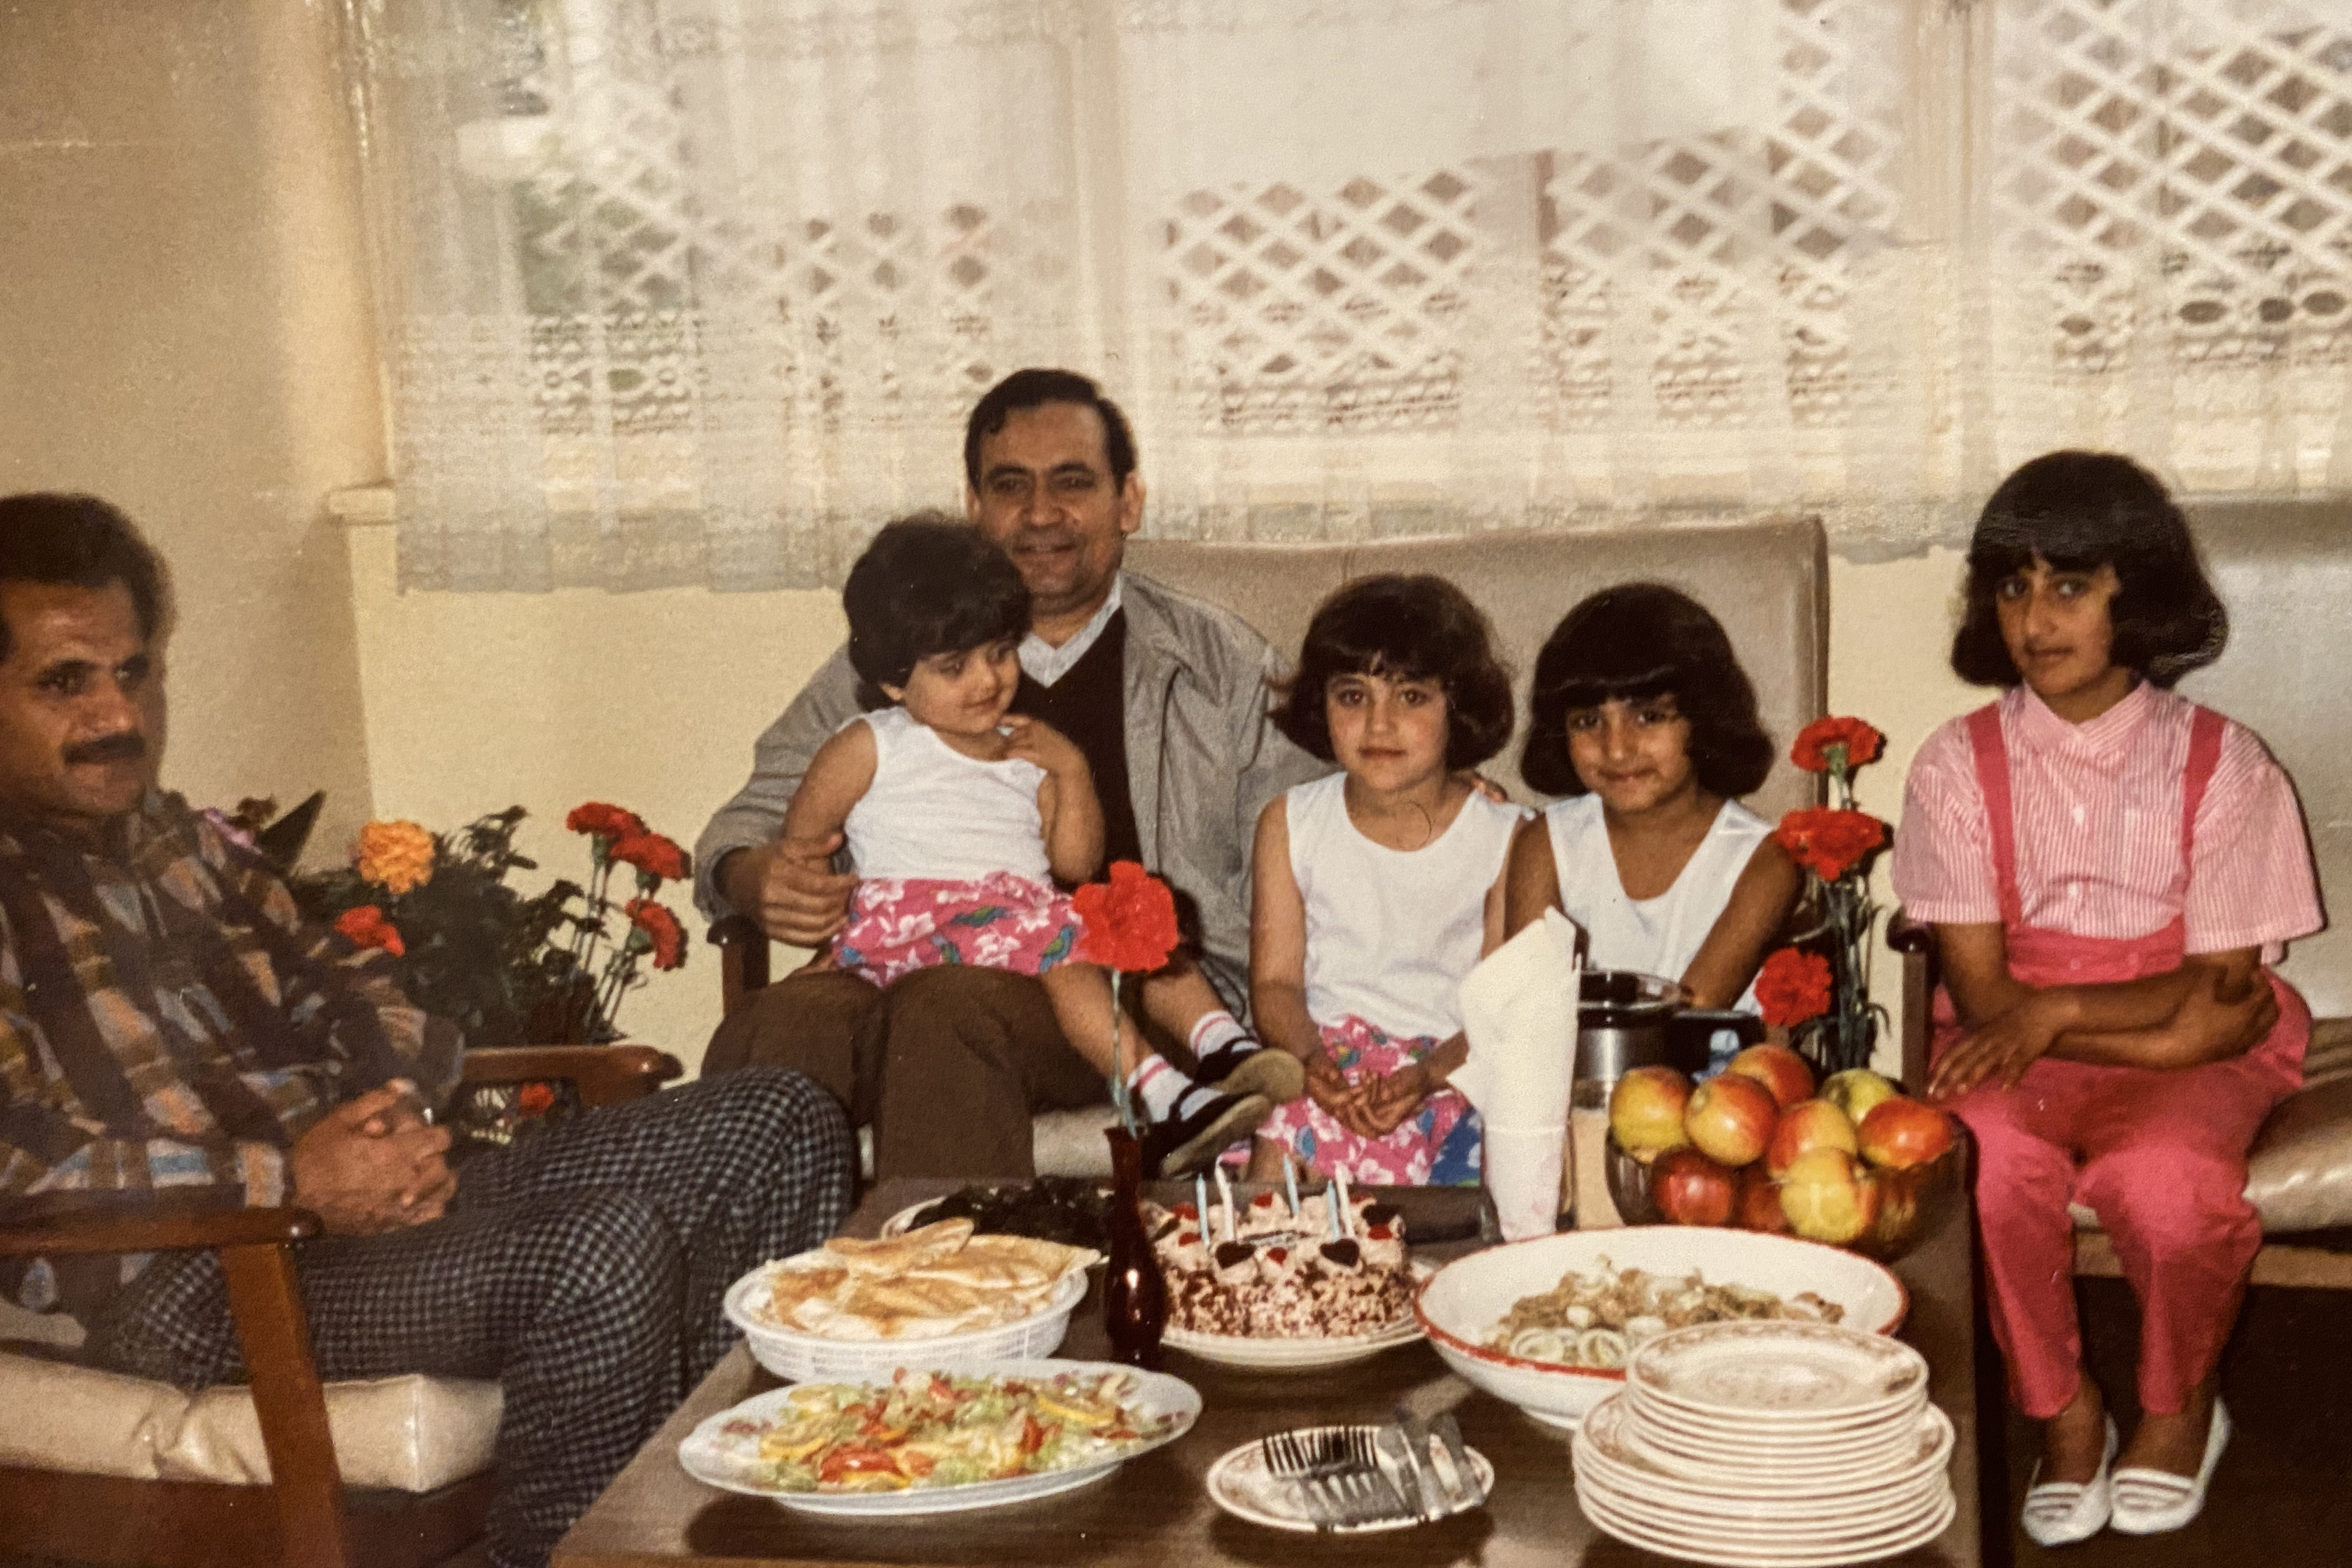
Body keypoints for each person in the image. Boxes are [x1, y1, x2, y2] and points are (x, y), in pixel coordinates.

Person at [0, 494, 855, 1568]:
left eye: (133, 672)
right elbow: (16, 1157)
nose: (117, 714)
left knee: (779, 1115)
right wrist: (290, 1176)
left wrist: (379, 1119)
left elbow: (361, 988)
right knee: (598, 1250)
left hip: (350, 1219)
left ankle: (712, 1534)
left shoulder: (172, 839)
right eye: (64, 682)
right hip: (184, 1278)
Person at [698, 368, 1320, 1178]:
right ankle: (773, 1298)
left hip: (1114, 990)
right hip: (897, 954)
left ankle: (946, 1287)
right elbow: (749, 820)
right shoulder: (903, 653)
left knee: (948, 1011)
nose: (1040, 515)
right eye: (1009, 487)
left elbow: (1317, 839)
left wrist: (1434, 798)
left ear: (1127, 501)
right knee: (778, 1027)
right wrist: (753, 877)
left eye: (1072, 484)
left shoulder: (1221, 665)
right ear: (974, 507)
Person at [1891, 452, 2315, 1544]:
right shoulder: (1953, 765)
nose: (2036, 618)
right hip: (2030, 1041)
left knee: (2167, 1183)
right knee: (1983, 1165)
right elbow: (1985, 989)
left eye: (2070, 585)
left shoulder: (2223, 761)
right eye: (2013, 585)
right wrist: (2095, 1024)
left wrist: (2068, 1014)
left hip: (2187, 1052)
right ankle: (2064, 1411)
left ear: (2140, 593)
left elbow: (2229, 985)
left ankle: (2177, 1408)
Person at [783, 514, 1283, 1174]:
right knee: (1071, 951)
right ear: (896, 683)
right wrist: (829, 933)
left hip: (1012, 918)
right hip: (920, 922)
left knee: (1131, 921)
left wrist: (1070, 771)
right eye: (954, 668)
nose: (987, 681)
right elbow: (803, 841)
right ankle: (1161, 1092)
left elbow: (1073, 863)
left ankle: (1224, 1047)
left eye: (998, 653)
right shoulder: (872, 744)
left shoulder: (1026, 753)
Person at [1244, 575, 1525, 1186]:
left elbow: (1504, 1009)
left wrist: (1426, 1078)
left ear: (1459, 706)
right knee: (1284, 1141)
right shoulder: (1292, 822)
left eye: (1412, 698)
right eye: (1352, 697)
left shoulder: (1509, 837)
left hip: (1456, 1065)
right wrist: (1311, 1062)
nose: (1379, 723)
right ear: (1320, 704)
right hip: (1330, 1059)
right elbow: (1275, 983)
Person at [1503, 583, 1801, 1063]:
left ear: (1702, 719)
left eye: (1648, 716)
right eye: (1587, 722)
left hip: (1700, 1095)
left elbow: (1682, 1030)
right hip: (1568, 1090)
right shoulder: (1545, 843)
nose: (1617, 748)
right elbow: (1527, 1012)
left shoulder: (1763, 861)